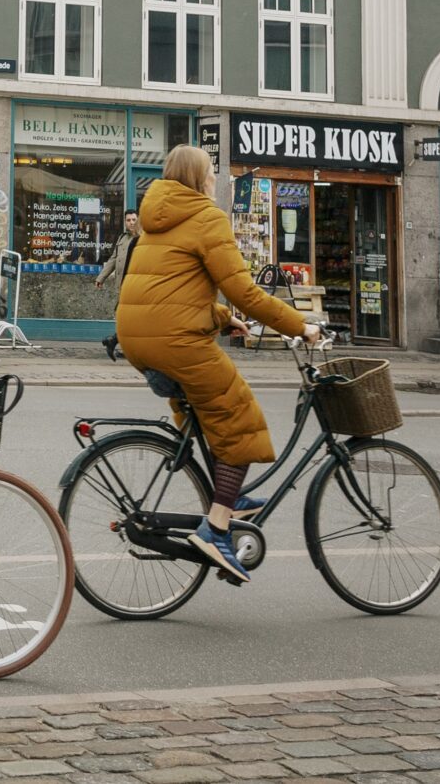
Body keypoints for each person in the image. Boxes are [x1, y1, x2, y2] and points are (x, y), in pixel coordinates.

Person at [114, 145, 322, 584]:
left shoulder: (156, 218)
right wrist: (300, 325)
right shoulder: (206, 217)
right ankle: (217, 528)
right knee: (239, 418)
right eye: (211, 173)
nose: (214, 181)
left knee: (206, 414)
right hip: (175, 340)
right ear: (197, 178)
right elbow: (245, 290)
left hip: (137, 338)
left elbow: (177, 285)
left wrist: (226, 321)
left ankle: (228, 495)